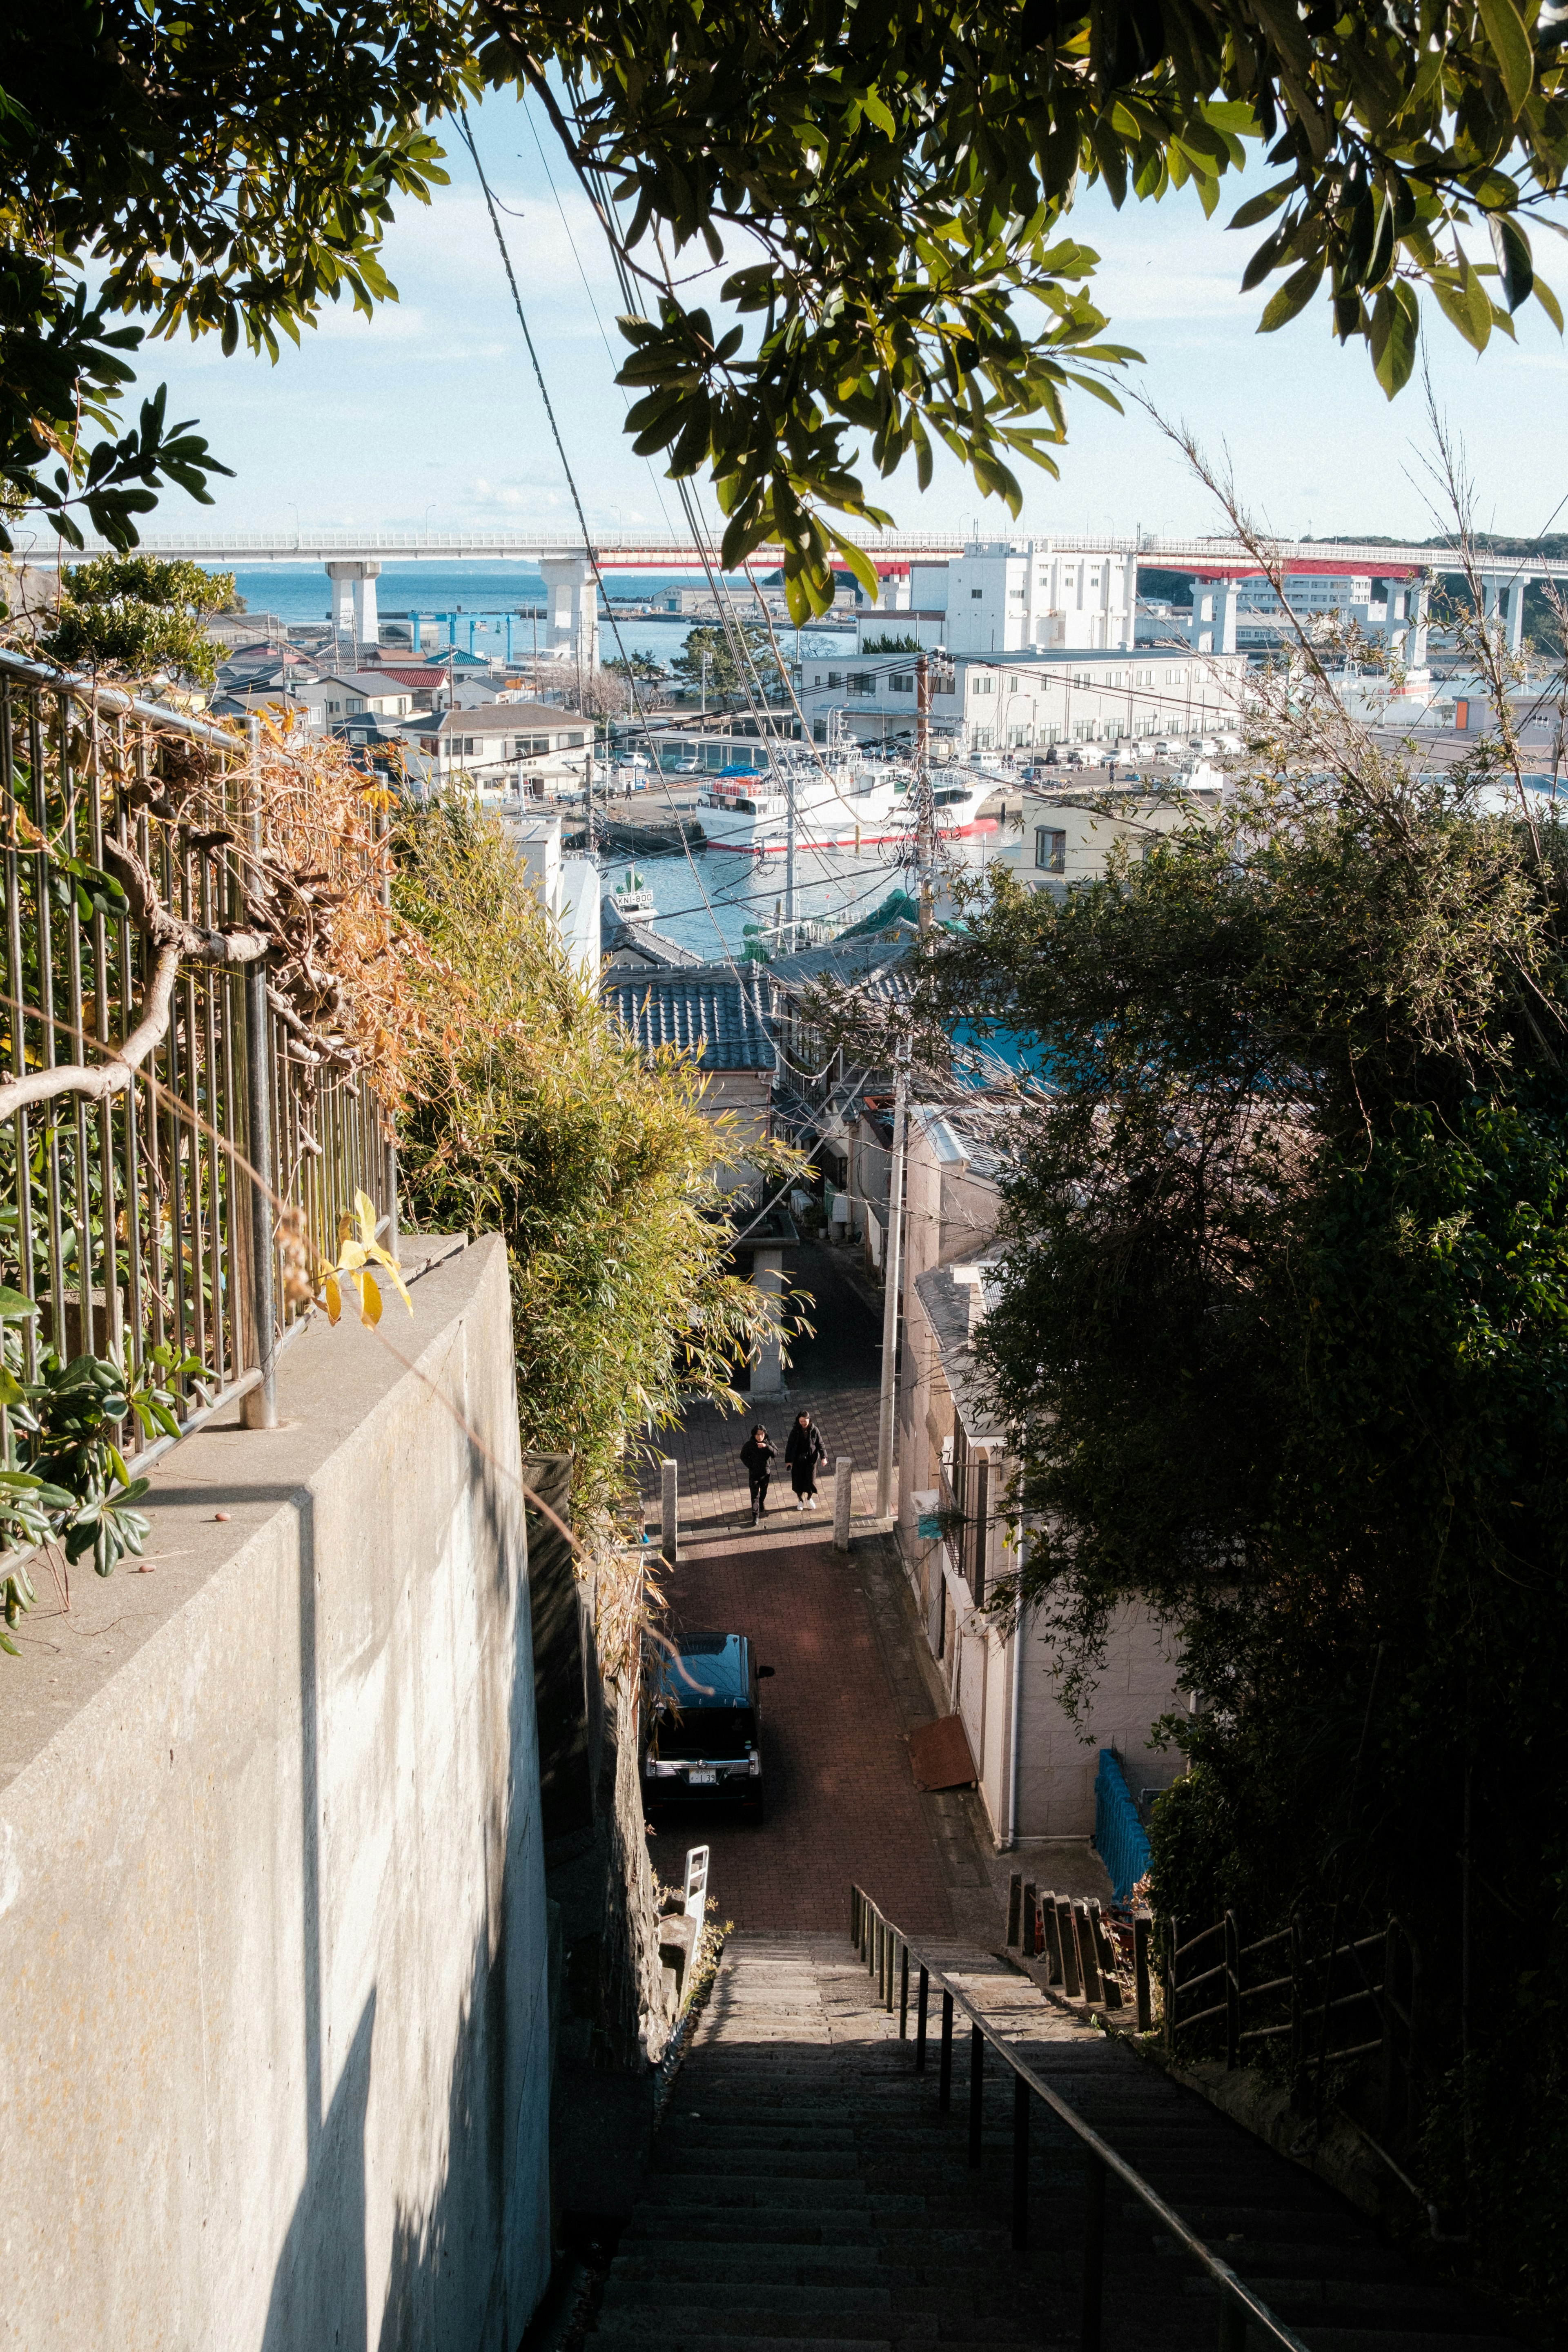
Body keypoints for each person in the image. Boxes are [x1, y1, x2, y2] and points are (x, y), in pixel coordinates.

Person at [784, 1410, 826, 1510]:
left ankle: (809, 1498)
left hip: (811, 1460)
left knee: (811, 1480)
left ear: (809, 1420)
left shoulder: (815, 1430)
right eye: (801, 1421)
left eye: (805, 1421)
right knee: (798, 1481)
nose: (803, 1423)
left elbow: (820, 1444)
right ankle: (800, 1501)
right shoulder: (795, 1431)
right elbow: (790, 1446)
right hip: (798, 1460)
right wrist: (788, 1461)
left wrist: (824, 1457)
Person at [739, 1424, 776, 1525]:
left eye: (762, 1434)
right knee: (755, 1495)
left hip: (765, 1473)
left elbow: (776, 1454)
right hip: (754, 1474)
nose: (760, 1437)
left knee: (764, 1492)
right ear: (754, 1435)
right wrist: (751, 1466)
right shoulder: (750, 1445)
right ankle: (756, 1516)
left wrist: (767, 1447)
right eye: (758, 1435)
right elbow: (743, 1456)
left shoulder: (769, 1443)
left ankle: (761, 1503)